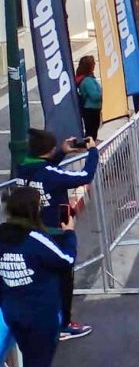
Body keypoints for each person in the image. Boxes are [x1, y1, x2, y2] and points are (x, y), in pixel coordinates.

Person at [0, 186, 77, 367]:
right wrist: (70, 234)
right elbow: (65, 260)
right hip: (40, 313)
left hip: (13, 310)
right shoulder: (34, 237)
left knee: (32, 364)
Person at [14, 129, 99, 341]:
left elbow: (44, 170)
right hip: (56, 232)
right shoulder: (51, 175)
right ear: (49, 151)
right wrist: (93, 152)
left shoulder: (23, 169)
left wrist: (60, 153)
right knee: (63, 277)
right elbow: (84, 176)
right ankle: (64, 325)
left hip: (31, 231)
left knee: (40, 279)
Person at [74, 55, 103, 141]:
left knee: (92, 130)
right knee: (91, 131)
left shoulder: (89, 78)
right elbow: (95, 96)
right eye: (93, 63)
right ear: (89, 66)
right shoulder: (87, 81)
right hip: (91, 109)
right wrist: (102, 91)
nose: (95, 64)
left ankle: (90, 146)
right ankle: (89, 148)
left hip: (92, 109)